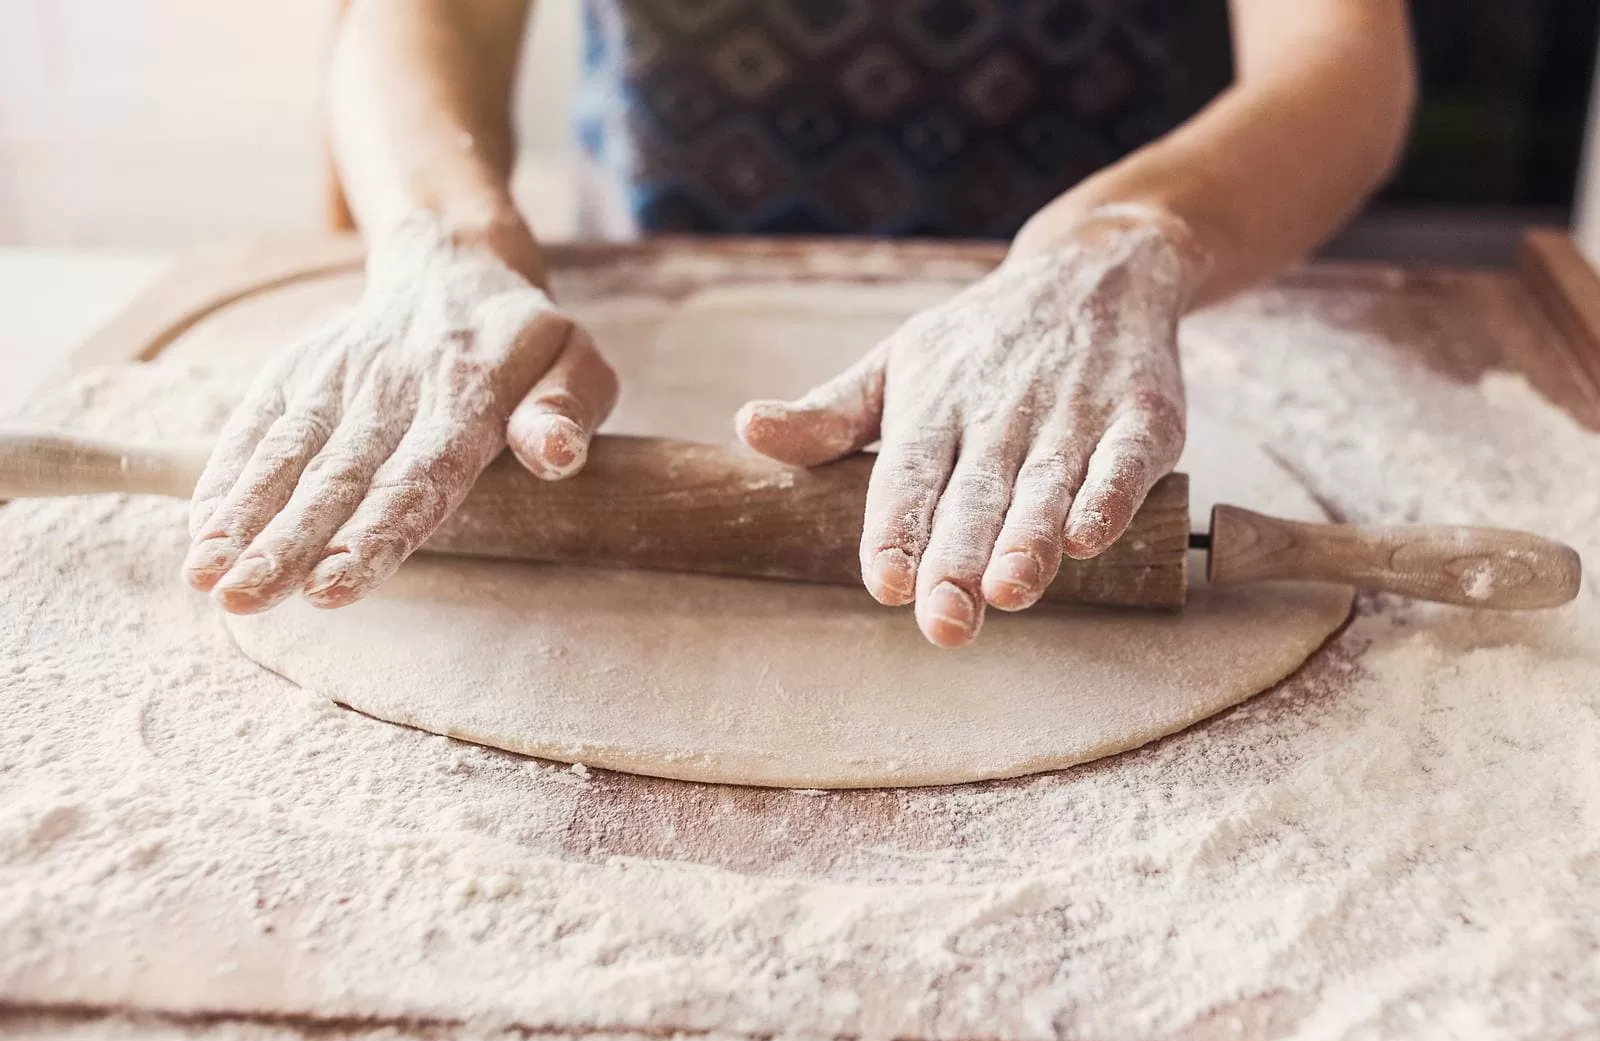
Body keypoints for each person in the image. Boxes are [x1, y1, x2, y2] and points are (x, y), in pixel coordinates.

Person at [182, 0, 1415, 648]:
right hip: (666, 271)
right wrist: (438, 236)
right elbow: (426, 11)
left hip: (1085, 312)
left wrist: (1125, 243)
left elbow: (1344, 51)